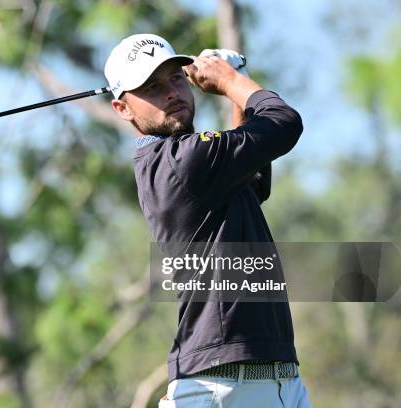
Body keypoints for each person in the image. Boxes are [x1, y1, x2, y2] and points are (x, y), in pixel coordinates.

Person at [104, 34, 313, 407]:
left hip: (279, 380)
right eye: (152, 87)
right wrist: (231, 81)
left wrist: (236, 79)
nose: (171, 92)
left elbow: (253, 183)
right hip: (221, 388)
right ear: (123, 109)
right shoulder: (184, 160)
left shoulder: (193, 163)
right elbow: (284, 121)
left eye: (175, 79)